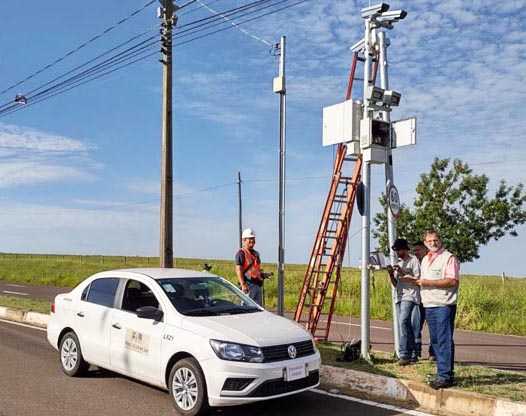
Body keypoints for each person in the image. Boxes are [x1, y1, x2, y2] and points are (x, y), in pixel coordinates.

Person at [414, 230, 460, 390]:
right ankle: (442, 372)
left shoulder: (449, 258)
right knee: (435, 341)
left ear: (440, 240)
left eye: (435, 240)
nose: (433, 243)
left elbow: (452, 281)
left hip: (443, 304)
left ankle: (446, 376)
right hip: (429, 304)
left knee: (444, 340)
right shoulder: (425, 259)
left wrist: (428, 283)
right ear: (425, 243)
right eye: (429, 241)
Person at [387, 238, 422, 366]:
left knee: (403, 322)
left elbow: (418, 279)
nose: (398, 253)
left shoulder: (413, 261)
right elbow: (396, 284)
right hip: (399, 296)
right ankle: (413, 352)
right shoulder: (399, 262)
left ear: (405, 249)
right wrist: (392, 274)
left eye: (400, 250)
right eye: (396, 250)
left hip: (410, 296)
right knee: (404, 325)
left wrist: (403, 273)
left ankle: (404, 353)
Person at [413, 240, 435, 362]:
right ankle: (416, 351)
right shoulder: (415, 262)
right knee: (416, 326)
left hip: (430, 299)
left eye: (418, 250)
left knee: (433, 327)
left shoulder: (430, 262)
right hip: (419, 299)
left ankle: (433, 353)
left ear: (425, 249)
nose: (416, 253)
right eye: (414, 250)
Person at [235, 228, 264, 305]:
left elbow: (255, 268)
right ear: (244, 240)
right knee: (246, 308)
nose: (252, 240)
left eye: (253, 238)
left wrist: (261, 274)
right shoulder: (241, 253)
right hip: (248, 285)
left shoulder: (256, 253)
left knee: (257, 308)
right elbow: (238, 270)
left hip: (257, 284)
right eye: (250, 239)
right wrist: (243, 284)